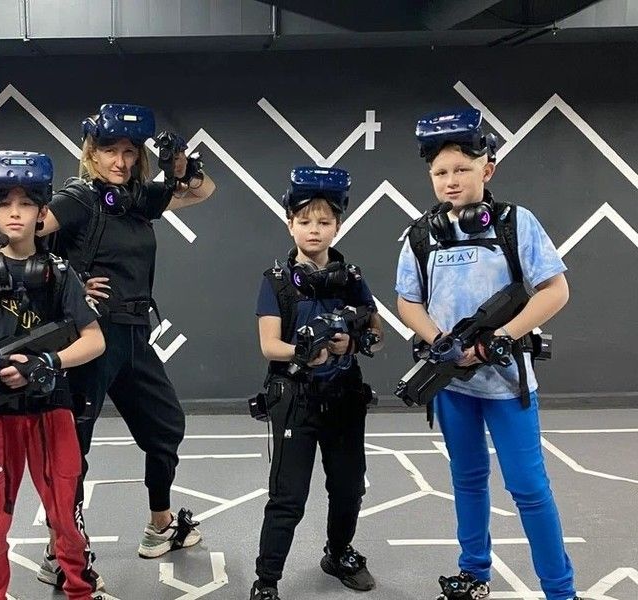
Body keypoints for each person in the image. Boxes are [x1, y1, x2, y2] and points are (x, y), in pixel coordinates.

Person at [395, 108, 581, 600]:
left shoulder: (517, 223)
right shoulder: (420, 234)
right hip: (452, 385)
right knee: (468, 480)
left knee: (528, 488)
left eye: (462, 168)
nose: (451, 180)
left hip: (507, 384)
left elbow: (555, 290)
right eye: (440, 172)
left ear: (488, 169)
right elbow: (407, 300)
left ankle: (561, 592)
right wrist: (439, 340)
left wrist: (501, 338)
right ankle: (474, 574)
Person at [34, 103, 217, 589]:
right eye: (110, 150)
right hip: (92, 337)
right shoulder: (79, 198)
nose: (119, 161)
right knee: (73, 445)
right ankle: (60, 548)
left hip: (135, 333)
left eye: (129, 152)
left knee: (166, 426)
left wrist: (182, 169)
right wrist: (68, 281)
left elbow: (203, 191)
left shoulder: (137, 200)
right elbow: (23, 231)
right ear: (91, 153)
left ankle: (161, 526)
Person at [0, 151, 106, 600]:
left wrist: (48, 363)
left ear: (42, 211)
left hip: (51, 410)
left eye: (26, 203)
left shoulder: (60, 274)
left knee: (64, 516)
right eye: (4, 203)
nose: (15, 213)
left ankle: (80, 590)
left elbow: (94, 341)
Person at [250, 167, 383, 600]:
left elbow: (377, 333)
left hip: (344, 397)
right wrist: (304, 352)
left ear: (337, 226)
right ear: (289, 224)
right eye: (305, 221)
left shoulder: (352, 278)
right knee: (288, 496)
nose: (314, 229)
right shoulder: (275, 282)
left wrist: (352, 343)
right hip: (296, 398)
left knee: (348, 486)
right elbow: (270, 346)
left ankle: (338, 553)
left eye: (324, 221)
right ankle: (267, 580)